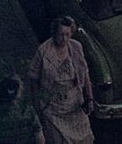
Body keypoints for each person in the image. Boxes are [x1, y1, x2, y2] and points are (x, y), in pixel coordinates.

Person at [27, 16, 95, 144]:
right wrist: (37, 106)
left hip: (75, 104)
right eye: (61, 35)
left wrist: (89, 98)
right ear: (54, 33)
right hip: (53, 107)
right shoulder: (43, 51)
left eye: (67, 35)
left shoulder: (76, 47)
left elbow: (85, 73)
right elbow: (33, 78)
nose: (64, 39)